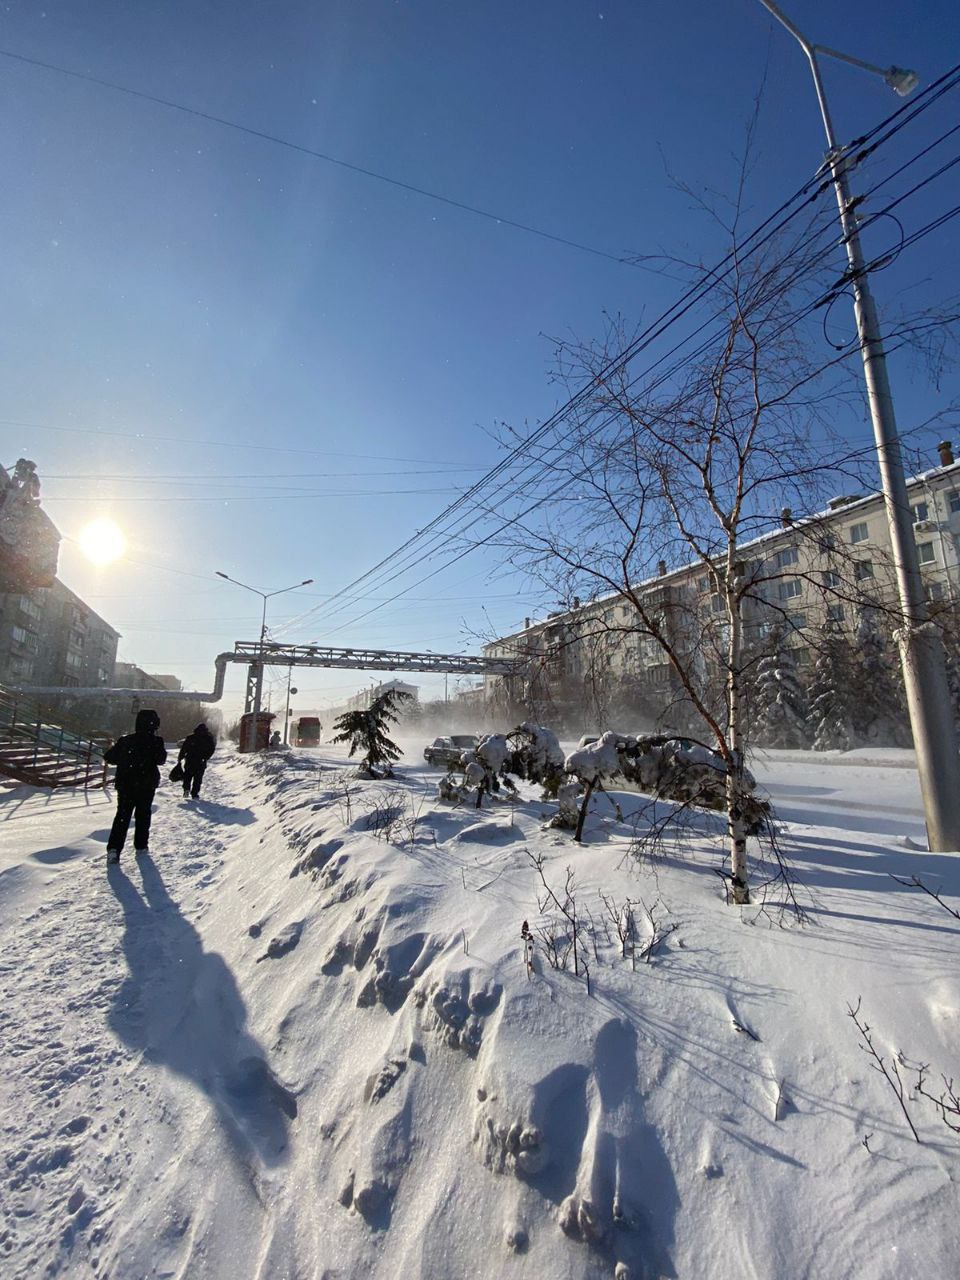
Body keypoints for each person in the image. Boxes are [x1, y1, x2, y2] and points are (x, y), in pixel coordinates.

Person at [104, 708, 167, 864]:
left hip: (126, 784)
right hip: (146, 785)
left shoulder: (126, 740)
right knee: (143, 814)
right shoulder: (156, 742)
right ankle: (141, 845)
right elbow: (161, 760)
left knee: (122, 816)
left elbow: (109, 757)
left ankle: (114, 849)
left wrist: (127, 758)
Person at [178, 722, 216, 799]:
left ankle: (186, 789)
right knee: (198, 779)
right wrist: (206, 757)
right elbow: (212, 749)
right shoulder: (208, 738)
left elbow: (184, 748)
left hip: (190, 760)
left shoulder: (190, 737)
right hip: (201, 761)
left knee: (187, 776)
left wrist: (180, 757)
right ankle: (194, 793)